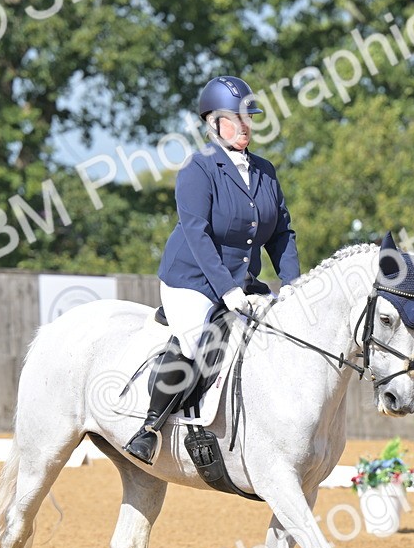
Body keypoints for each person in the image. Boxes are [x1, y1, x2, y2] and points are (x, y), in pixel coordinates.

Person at [124, 75, 301, 464]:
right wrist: (226, 290)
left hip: (243, 281)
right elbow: (198, 234)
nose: (245, 126)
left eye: (248, 117)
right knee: (195, 341)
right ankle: (150, 428)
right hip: (192, 279)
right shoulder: (197, 168)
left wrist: (292, 284)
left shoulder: (265, 171)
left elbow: (281, 232)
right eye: (235, 118)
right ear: (213, 123)